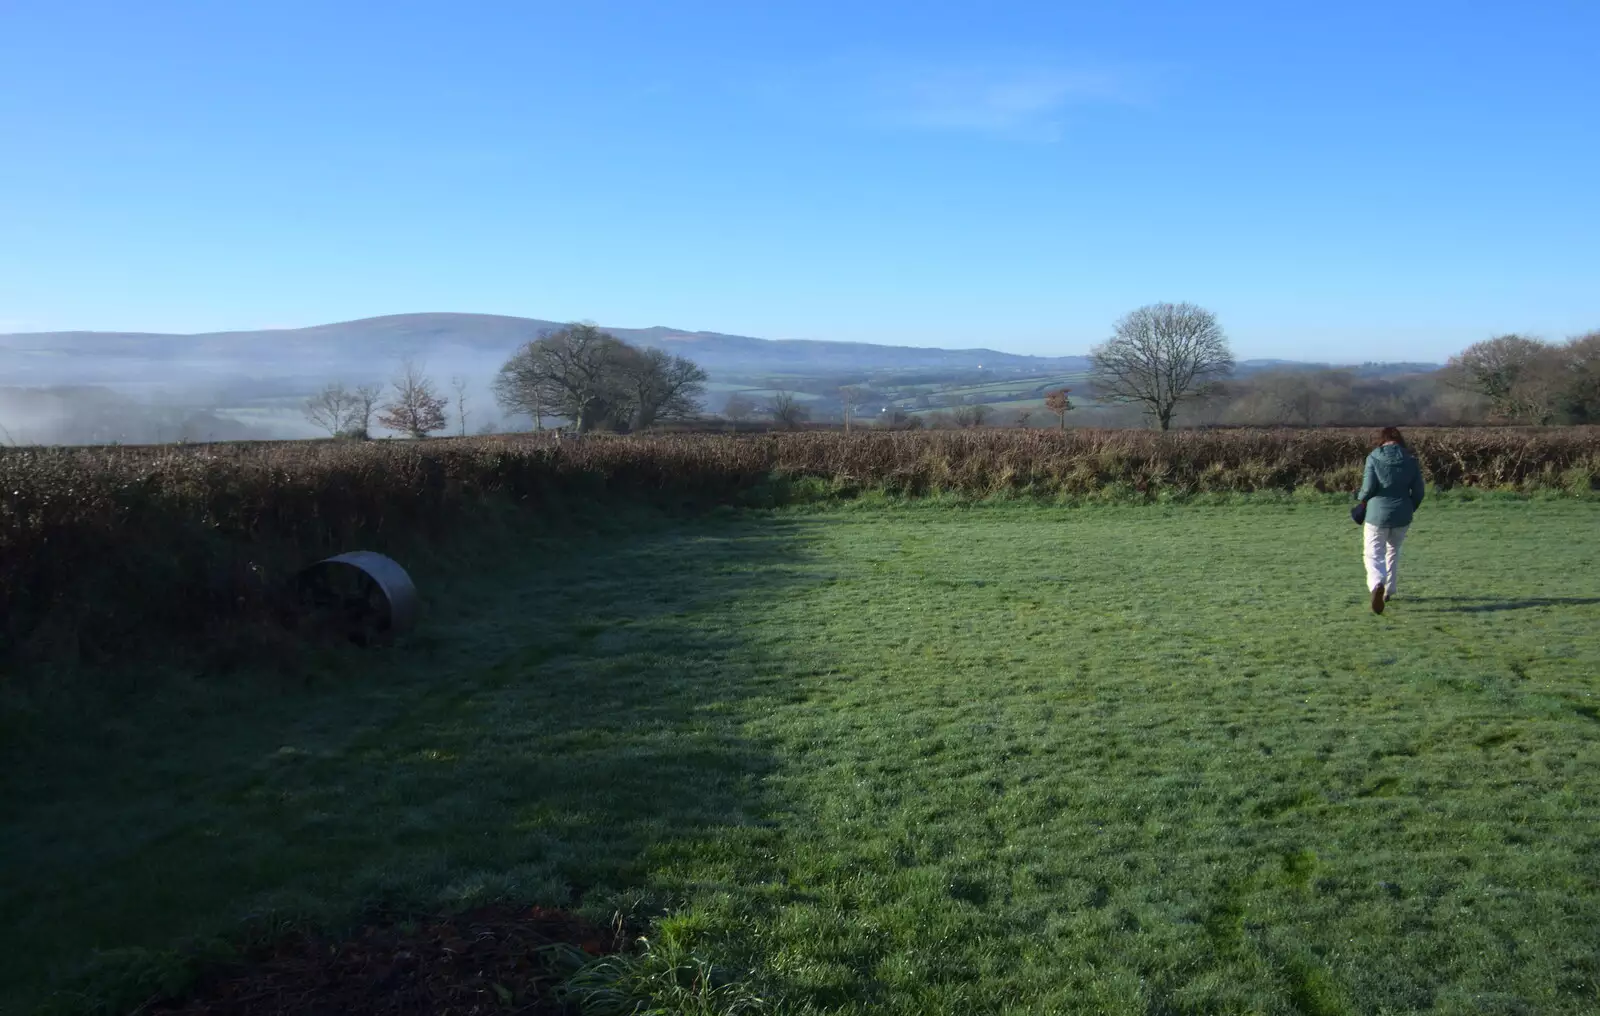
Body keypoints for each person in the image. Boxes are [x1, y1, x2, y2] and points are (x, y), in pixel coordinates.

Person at [1356, 426, 1426, 614]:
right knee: (1393, 550)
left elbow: (1368, 488)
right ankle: (1389, 589)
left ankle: (1377, 583)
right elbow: (1419, 491)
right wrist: (1410, 507)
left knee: (1372, 553)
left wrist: (1360, 500)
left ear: (1382, 440)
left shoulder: (1373, 457)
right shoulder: (1411, 460)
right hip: (1403, 513)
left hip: (1377, 513)